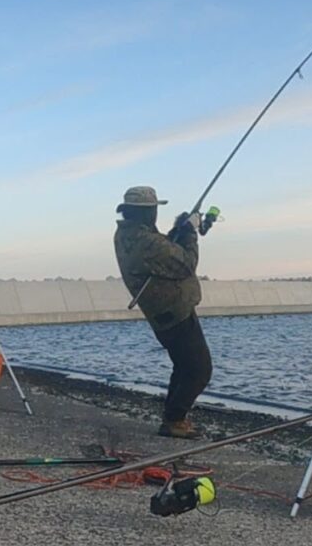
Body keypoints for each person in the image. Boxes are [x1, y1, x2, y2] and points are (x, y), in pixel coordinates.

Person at [114, 186, 212, 439]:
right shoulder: (145, 241)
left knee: (183, 366)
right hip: (173, 311)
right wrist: (189, 232)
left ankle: (174, 417)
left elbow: (163, 253)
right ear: (148, 212)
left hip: (163, 312)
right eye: (154, 209)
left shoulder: (129, 234)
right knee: (199, 370)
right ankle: (174, 420)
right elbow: (185, 264)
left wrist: (178, 230)